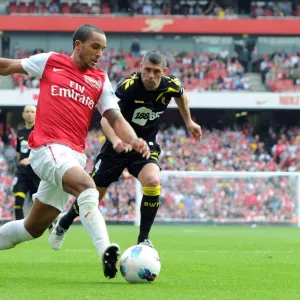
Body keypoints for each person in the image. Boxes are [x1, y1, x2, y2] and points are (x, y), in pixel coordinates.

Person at [0, 24, 150, 279]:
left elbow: (114, 116)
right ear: (77, 45)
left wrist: (134, 139)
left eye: (103, 49)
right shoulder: (50, 62)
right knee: (88, 187)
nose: (99, 53)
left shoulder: (100, 79)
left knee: (33, 227)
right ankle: (105, 251)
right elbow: (6, 66)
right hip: (47, 147)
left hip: (72, 155)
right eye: (95, 47)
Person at [49, 50, 202, 250]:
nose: (150, 76)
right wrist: (115, 141)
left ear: (164, 72)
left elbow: (181, 95)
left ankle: (143, 240)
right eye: (147, 70)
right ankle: (64, 222)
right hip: (117, 147)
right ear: (140, 67)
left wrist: (189, 122)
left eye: (156, 72)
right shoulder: (128, 87)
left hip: (144, 145)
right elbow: (105, 118)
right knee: (93, 195)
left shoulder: (171, 84)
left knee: (153, 181)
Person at [13, 105, 40, 220]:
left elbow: (45, 150)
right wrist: (18, 164)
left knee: (41, 204)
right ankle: (19, 232)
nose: (30, 114)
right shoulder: (20, 132)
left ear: (36, 114)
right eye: (27, 112)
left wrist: (31, 160)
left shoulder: (40, 131)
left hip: (36, 172)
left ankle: (51, 227)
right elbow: (19, 151)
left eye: (32, 112)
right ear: (23, 114)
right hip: (22, 172)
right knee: (18, 202)